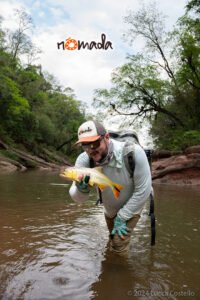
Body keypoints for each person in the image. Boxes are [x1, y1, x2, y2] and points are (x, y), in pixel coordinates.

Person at [69, 120, 152, 254]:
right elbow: (79, 200)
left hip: (133, 205)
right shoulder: (83, 160)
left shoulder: (134, 153)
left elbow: (143, 191)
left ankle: (118, 273)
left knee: (118, 246)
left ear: (106, 137)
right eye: (85, 145)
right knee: (112, 239)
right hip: (109, 210)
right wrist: (81, 189)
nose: (90, 150)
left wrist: (122, 217)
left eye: (94, 143)